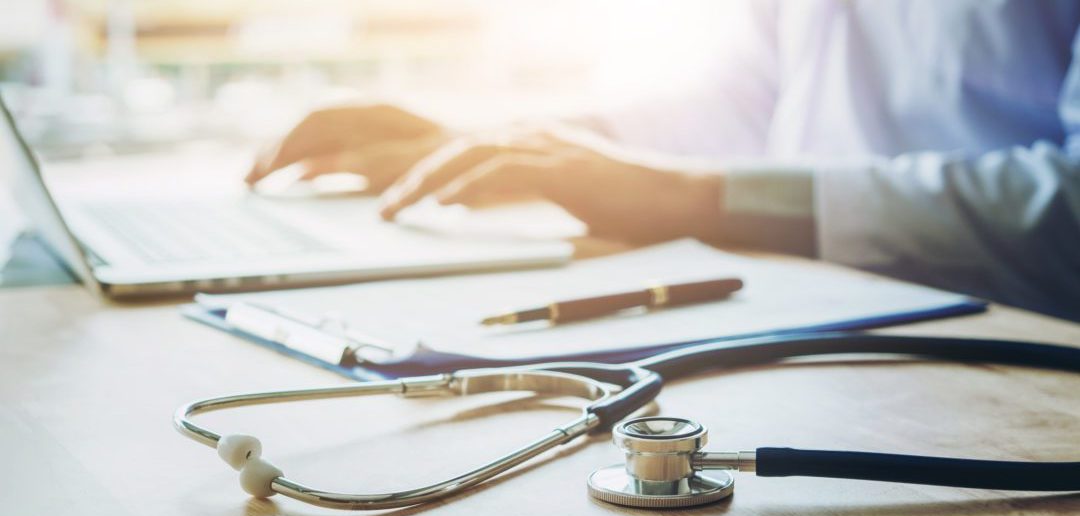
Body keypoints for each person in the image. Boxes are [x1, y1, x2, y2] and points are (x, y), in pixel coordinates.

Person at [245, 1, 1080, 322]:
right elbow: (744, 102)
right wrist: (496, 147)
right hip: (830, 318)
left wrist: (697, 198)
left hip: (1024, 360)